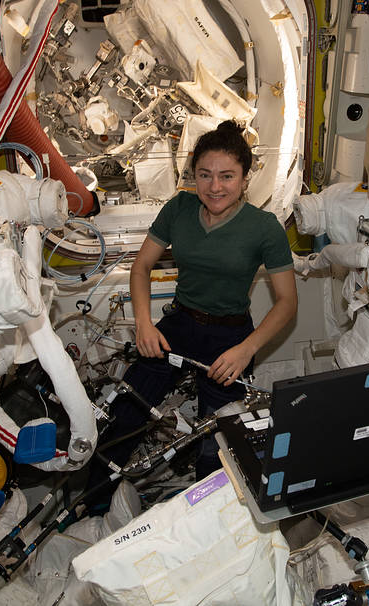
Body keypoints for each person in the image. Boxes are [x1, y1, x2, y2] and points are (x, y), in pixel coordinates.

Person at [96, 119, 297, 488]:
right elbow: (140, 268)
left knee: (218, 437)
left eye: (227, 176)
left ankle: (205, 506)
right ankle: (96, 498)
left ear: (244, 178)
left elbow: (287, 303)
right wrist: (144, 323)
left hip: (231, 336)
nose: (215, 187)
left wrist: (245, 351)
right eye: (205, 175)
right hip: (179, 324)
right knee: (126, 410)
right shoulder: (179, 209)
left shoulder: (264, 226)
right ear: (192, 175)